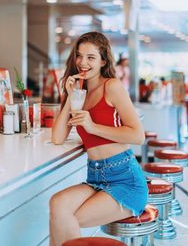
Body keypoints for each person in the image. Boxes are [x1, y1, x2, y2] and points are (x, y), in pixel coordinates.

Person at [50, 32, 147, 246]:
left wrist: (92, 126)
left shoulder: (111, 86)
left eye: (91, 57)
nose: (82, 62)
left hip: (125, 180)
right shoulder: (78, 92)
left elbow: (137, 135)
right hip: (95, 177)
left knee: (68, 218)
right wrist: (70, 97)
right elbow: (57, 138)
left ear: (103, 61)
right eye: (79, 56)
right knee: (57, 203)